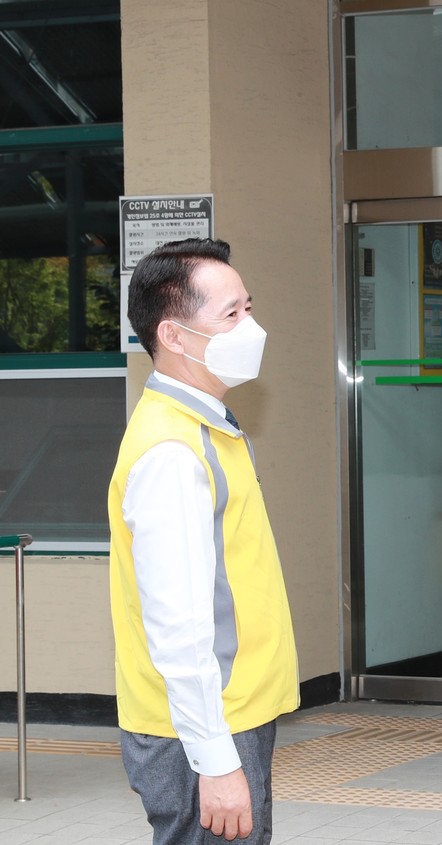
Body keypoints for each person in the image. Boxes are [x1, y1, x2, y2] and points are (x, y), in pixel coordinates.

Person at [108, 238, 298, 844]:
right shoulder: (172, 452)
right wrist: (215, 761)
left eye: (249, 307)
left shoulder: (204, 428)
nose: (252, 327)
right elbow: (179, 621)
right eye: (232, 315)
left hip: (219, 716)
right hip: (203, 728)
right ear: (175, 336)